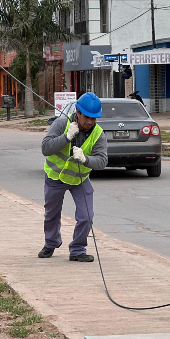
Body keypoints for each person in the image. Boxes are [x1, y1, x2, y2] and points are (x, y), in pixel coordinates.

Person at [40, 92, 108, 262]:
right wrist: (67, 137)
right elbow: (45, 148)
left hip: (80, 179)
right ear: (77, 112)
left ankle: (78, 249)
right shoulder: (61, 124)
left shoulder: (98, 134)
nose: (90, 122)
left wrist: (86, 159)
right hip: (55, 177)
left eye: (94, 118)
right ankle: (51, 243)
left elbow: (102, 161)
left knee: (86, 216)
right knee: (51, 214)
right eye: (87, 117)